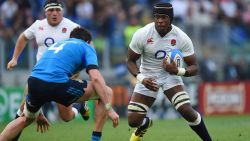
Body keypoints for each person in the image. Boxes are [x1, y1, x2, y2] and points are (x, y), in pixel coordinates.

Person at [6, 0, 106, 141]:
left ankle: (79, 106)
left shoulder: (72, 27)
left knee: (66, 117)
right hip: (40, 75)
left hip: (63, 78)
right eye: (51, 10)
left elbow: (88, 45)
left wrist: (83, 68)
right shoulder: (38, 25)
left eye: (58, 10)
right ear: (45, 12)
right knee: (23, 114)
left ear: (62, 11)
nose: (54, 13)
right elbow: (23, 37)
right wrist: (14, 58)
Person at [127, 2, 212, 141]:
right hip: (147, 76)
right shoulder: (142, 34)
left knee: (186, 111)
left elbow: (195, 67)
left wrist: (177, 70)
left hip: (170, 76)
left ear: (171, 19)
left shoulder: (181, 37)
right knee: (133, 120)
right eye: (157, 17)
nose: (160, 20)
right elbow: (130, 61)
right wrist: (142, 79)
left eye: (164, 17)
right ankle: (144, 124)